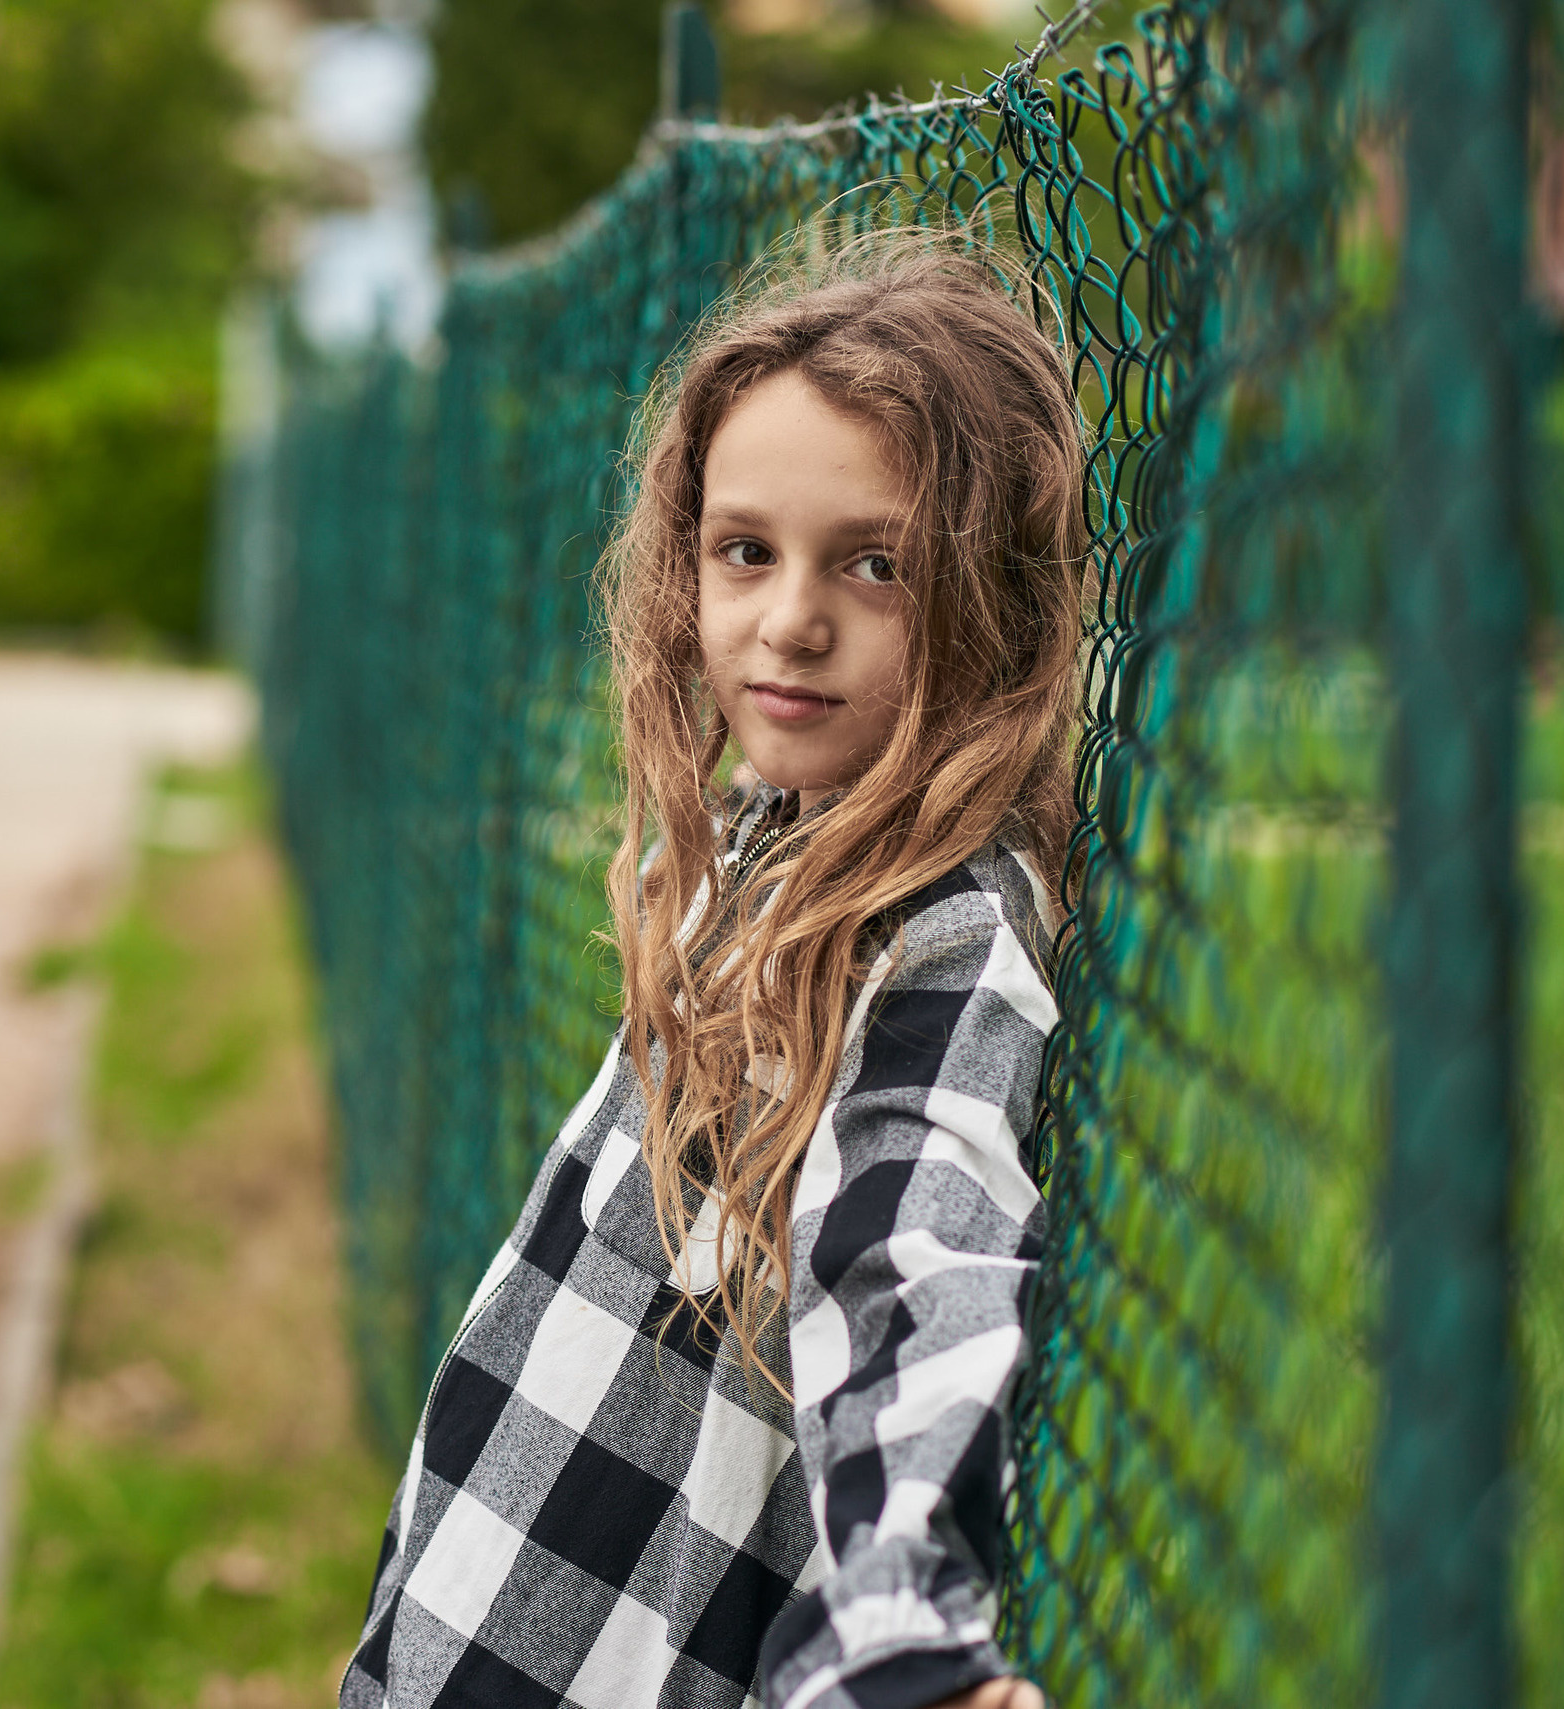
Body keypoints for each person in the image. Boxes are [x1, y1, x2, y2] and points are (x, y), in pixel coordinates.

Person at [341, 229, 1086, 1709]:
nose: (790, 619)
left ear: (989, 594)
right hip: (486, 1611)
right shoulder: (768, 831)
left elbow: (917, 1249)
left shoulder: (940, 925)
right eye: (747, 550)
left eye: (878, 565)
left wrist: (902, 1634)